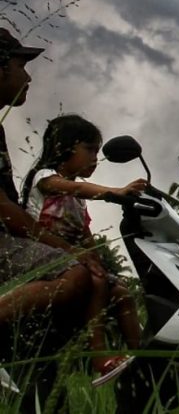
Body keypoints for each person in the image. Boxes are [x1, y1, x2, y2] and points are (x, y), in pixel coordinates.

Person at [21, 114, 147, 381]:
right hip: (41, 254)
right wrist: (114, 192)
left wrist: (96, 259)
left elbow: (85, 233)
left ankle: (145, 359)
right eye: (89, 149)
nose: (95, 158)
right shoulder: (46, 178)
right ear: (64, 147)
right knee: (99, 283)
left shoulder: (78, 201)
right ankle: (99, 357)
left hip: (71, 258)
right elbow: (73, 187)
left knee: (123, 293)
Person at [0, 28, 95, 356]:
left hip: (9, 241)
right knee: (72, 273)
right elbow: (2, 208)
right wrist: (67, 249)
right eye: (21, 66)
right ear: (1, 69)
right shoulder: (48, 178)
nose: (28, 77)